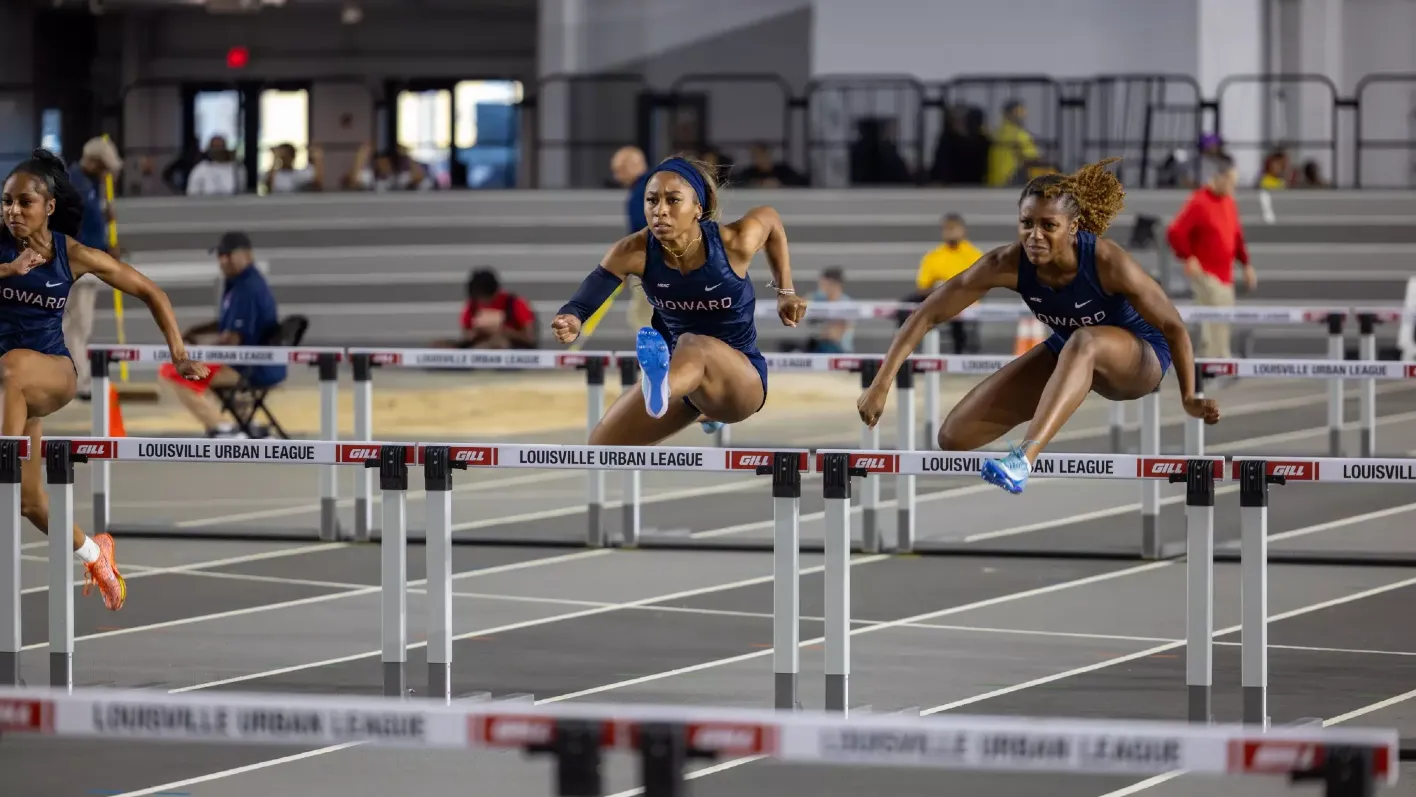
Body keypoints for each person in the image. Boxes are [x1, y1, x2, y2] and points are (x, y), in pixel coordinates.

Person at [858, 158, 1219, 494]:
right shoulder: (1007, 262)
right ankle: (1070, 384)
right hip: (1071, 351)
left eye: (1049, 226)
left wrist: (1189, 396)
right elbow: (927, 313)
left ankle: (1023, 460)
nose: (1035, 235)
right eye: (1027, 223)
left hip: (1141, 357)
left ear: (1073, 227)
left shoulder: (1108, 262)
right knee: (954, 436)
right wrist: (880, 384)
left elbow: (1174, 327)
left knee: (1085, 341)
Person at [1, 149, 206, 610]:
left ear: (48, 206)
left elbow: (151, 291)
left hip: (50, 372)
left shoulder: (71, 253)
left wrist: (179, 353)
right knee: (32, 503)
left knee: (11, 365)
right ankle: (97, 554)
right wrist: (9, 270)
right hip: (10, 389)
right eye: (6, 202)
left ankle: (3, 463)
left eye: (23, 202)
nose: (12, 211)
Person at [551, 155, 807, 444]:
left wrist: (786, 292)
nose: (660, 211)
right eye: (651, 201)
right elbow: (585, 299)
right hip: (684, 381)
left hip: (742, 383)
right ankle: (696, 407)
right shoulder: (633, 251)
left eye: (672, 201)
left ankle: (664, 388)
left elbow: (770, 218)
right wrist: (571, 317)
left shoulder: (733, 243)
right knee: (601, 445)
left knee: (691, 342)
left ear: (698, 208)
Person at [159, 231, 285, 438]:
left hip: (248, 367)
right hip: (248, 363)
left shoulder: (249, 288)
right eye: (220, 256)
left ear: (246, 255)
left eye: (228, 255)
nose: (222, 261)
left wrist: (200, 352)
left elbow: (232, 340)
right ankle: (241, 422)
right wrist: (195, 332)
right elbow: (225, 324)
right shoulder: (240, 283)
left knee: (174, 372)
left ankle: (222, 426)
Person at [1166, 155, 1253, 359]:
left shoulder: (1229, 202)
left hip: (1225, 273)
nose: (1233, 187)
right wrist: (1188, 257)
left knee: (1224, 317)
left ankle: (1219, 358)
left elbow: (1236, 236)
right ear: (1219, 178)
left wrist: (1246, 265)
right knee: (1213, 317)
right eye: (1230, 182)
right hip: (1207, 272)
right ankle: (1213, 361)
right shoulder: (1200, 202)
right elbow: (1175, 232)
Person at [63, 136, 124, 402]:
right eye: (104, 168)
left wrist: (106, 221)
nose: (106, 174)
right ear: (94, 162)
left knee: (80, 325)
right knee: (77, 325)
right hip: (77, 264)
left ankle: (77, 377)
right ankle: (78, 381)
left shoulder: (92, 184)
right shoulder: (74, 184)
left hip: (90, 262)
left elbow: (93, 223)